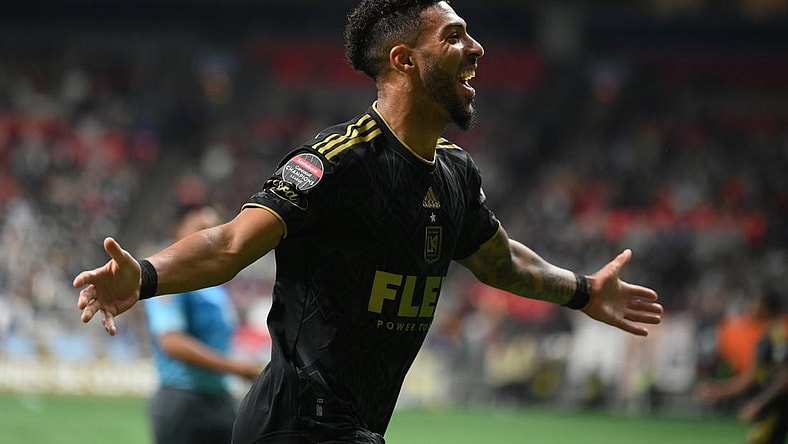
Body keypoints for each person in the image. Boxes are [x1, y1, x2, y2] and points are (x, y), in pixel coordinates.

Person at [73, 1, 663, 442]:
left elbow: (502, 261)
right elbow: (230, 243)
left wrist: (584, 290)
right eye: (454, 36)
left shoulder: (455, 174)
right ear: (404, 60)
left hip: (355, 428)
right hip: (296, 425)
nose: (477, 48)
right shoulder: (336, 162)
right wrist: (144, 277)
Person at [143, 204, 262, 444]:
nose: (210, 235)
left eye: (214, 229)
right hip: (183, 400)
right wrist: (235, 368)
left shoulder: (215, 284)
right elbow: (171, 342)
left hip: (219, 396)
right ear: (177, 232)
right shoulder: (169, 279)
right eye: (201, 228)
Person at [696, 290, 787, 444]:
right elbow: (750, 378)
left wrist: (760, 402)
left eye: (755, 302)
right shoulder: (768, 334)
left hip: (778, 408)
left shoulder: (778, 335)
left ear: (765, 306)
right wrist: (718, 391)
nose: (750, 306)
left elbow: (785, 376)